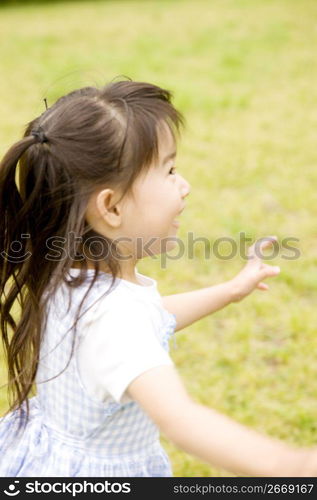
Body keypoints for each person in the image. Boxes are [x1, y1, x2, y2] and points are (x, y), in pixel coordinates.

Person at [0, 80, 316, 478]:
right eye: (169, 171)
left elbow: (151, 317)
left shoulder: (67, 276)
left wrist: (230, 291)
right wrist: (294, 465)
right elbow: (180, 420)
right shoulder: (116, 320)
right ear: (111, 207)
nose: (184, 186)